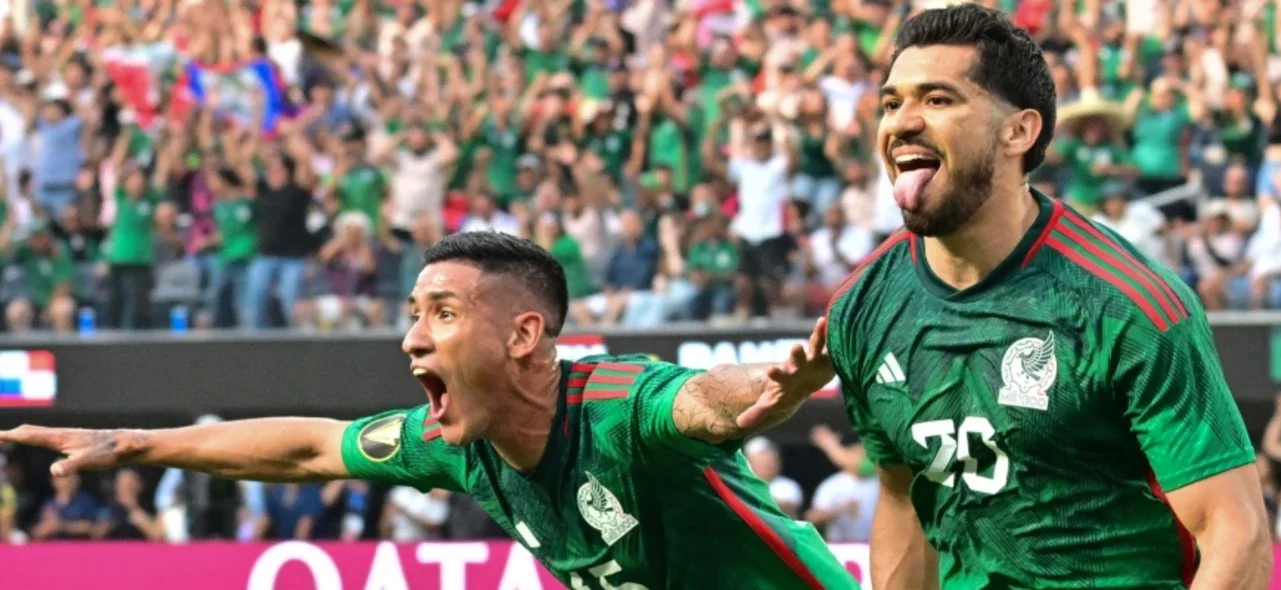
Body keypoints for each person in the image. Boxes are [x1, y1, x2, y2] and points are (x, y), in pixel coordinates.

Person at [737, 5, 1270, 588]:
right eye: (892, 104)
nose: (902, 122)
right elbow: (903, 498)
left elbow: (1236, 534)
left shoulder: (1130, 304)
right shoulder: (861, 307)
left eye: (938, 100)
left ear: (1020, 131)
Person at [0, 230, 855, 589]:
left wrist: (770, 388)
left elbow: (701, 403)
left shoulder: (621, 406)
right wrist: (143, 444)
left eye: (441, 313)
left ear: (525, 335)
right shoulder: (456, 443)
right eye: (414, 314)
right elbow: (312, 449)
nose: (412, 339)